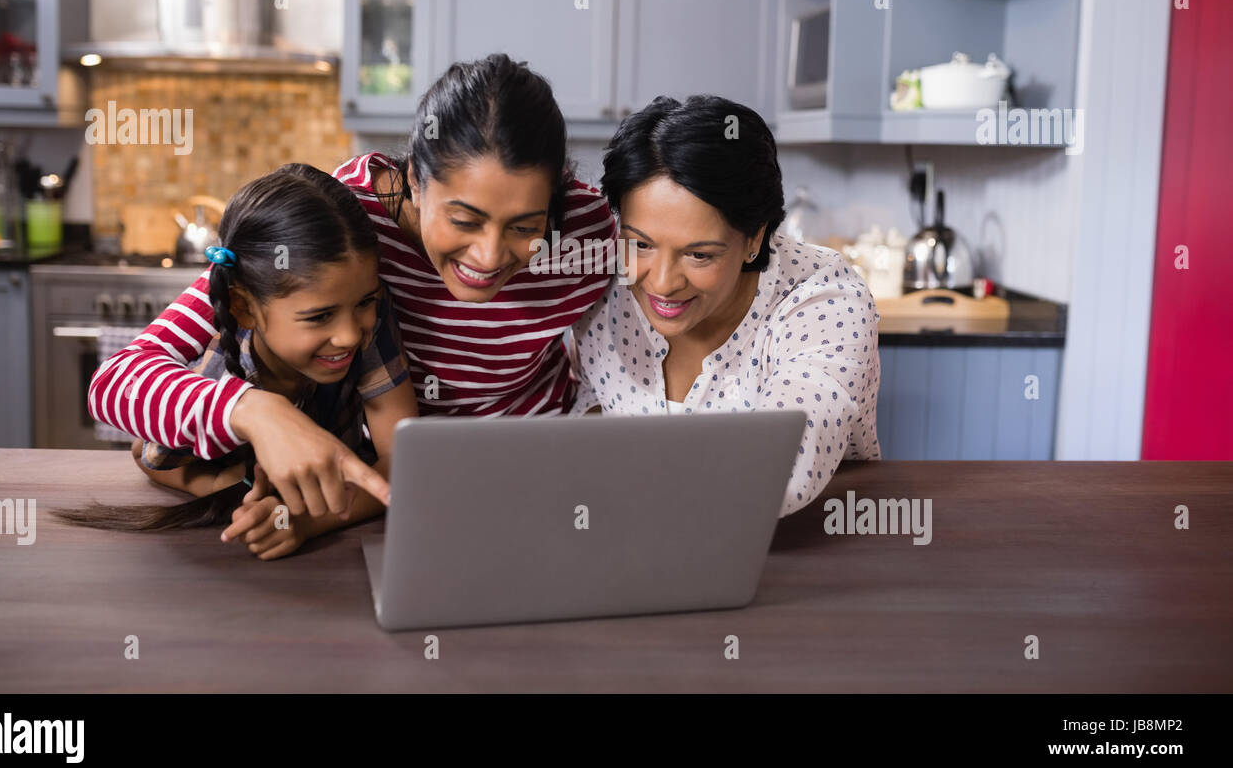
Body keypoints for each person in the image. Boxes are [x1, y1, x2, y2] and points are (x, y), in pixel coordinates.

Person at [87, 54, 617, 516]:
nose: (489, 255)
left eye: (524, 227)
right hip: (385, 491)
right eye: (463, 220)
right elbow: (116, 384)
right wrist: (250, 409)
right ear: (414, 180)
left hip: (541, 477)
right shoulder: (345, 222)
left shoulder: (591, 235)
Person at [57, 164, 416, 559]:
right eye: (318, 317)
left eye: (365, 302)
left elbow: (401, 462)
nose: (350, 335)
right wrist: (254, 413)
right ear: (243, 307)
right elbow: (127, 414)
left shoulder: (372, 318)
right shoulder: (217, 339)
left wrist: (303, 518)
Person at [568, 95, 882, 516]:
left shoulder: (824, 300)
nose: (661, 282)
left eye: (699, 255)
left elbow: (782, 457)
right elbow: (586, 409)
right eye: (640, 243)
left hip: (793, 550)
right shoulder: (598, 279)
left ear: (755, 238)